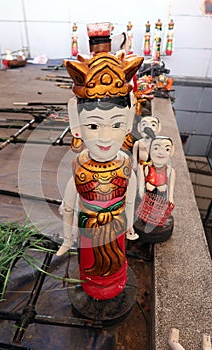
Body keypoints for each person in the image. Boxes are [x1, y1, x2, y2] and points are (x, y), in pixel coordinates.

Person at [56, 50, 143, 300]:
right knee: (90, 260)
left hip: (116, 226)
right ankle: (91, 282)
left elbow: (128, 201)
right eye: (93, 125)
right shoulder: (79, 165)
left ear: (128, 121)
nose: (105, 137)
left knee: (116, 260)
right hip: (88, 228)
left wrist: (129, 227)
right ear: (76, 123)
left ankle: (116, 280)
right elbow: (70, 206)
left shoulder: (125, 165)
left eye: (116, 124)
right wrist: (67, 238)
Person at [138, 136, 175, 203]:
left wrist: (170, 199)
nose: (161, 153)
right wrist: (141, 192)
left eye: (167, 149)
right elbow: (141, 184)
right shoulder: (145, 168)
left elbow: (170, 189)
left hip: (161, 201)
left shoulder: (169, 170)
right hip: (146, 200)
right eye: (156, 148)